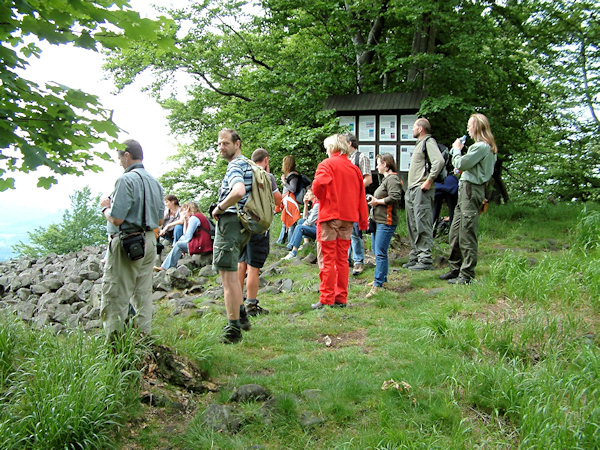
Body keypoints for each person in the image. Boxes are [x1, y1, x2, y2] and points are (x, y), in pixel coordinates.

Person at [100, 139, 164, 341]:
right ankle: (144, 342)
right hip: (149, 242)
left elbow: (117, 218)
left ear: (126, 155)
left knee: (116, 295)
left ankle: (116, 349)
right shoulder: (155, 183)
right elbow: (160, 219)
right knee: (143, 295)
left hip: (127, 242)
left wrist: (105, 208)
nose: (119, 162)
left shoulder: (124, 180)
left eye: (119, 157)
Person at [311, 134, 368, 309]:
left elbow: (318, 185)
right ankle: (341, 298)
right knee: (342, 259)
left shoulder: (326, 164)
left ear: (331, 148)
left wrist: (321, 198)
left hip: (330, 217)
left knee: (327, 259)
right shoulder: (354, 168)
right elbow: (361, 197)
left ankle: (326, 298)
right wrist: (363, 221)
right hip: (348, 219)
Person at [440, 113, 497, 284]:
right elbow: (468, 167)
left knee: (467, 233)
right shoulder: (481, 148)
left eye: (469, 125)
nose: (467, 128)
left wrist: (457, 149)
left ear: (477, 127)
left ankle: (466, 275)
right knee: (455, 231)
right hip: (466, 190)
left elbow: (461, 163)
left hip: (471, 191)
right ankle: (455, 268)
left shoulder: (481, 147)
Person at [212, 128, 253, 344]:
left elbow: (238, 191)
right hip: (244, 225)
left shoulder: (235, 165)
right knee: (233, 274)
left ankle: (233, 330)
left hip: (230, 224)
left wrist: (219, 208)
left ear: (237, 144)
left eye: (225, 143)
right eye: (219, 144)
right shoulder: (249, 164)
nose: (221, 147)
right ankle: (241, 315)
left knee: (227, 278)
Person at [238, 148, 282, 317]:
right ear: (266, 160)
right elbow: (278, 199)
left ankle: (237, 302)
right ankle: (251, 305)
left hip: (242, 223)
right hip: (258, 225)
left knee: (240, 264)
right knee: (253, 267)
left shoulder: (243, 173)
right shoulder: (267, 176)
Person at [403, 118, 445, 271]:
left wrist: (429, 180)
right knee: (413, 224)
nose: (412, 130)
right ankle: (416, 256)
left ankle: (425, 258)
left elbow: (439, 161)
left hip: (422, 189)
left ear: (420, 128)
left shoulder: (428, 141)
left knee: (422, 222)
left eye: (414, 127)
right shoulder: (420, 144)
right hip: (413, 189)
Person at [366, 154, 403, 298]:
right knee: (377, 250)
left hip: (386, 221)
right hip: (378, 220)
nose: (376, 167)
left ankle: (378, 284)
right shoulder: (386, 179)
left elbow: (395, 197)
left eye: (378, 164)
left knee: (380, 252)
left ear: (386, 164)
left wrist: (378, 202)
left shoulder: (392, 179)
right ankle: (382, 279)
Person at [155, 202, 212, 270]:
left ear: (188, 209)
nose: (183, 213)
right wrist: (185, 222)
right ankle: (168, 265)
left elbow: (187, 237)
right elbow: (185, 235)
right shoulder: (199, 216)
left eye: (184, 210)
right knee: (181, 240)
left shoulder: (194, 218)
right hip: (205, 244)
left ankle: (166, 267)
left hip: (202, 246)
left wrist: (181, 244)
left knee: (179, 245)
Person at [346, 133, 372, 275]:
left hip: (356, 199)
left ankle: (358, 261)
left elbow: (368, 179)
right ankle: (347, 259)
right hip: (345, 199)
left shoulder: (361, 157)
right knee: (346, 229)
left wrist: (355, 189)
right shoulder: (344, 159)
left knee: (355, 230)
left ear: (350, 143)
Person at [282, 187, 319, 260]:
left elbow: (309, 221)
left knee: (299, 227)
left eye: (308, 193)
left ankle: (293, 252)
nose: (306, 194)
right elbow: (305, 218)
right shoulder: (314, 204)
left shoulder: (317, 205)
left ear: (314, 195)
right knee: (301, 221)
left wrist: (300, 227)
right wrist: (305, 204)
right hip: (316, 226)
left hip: (320, 229)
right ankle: (306, 243)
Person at [276, 155, 301, 245]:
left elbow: (293, 189)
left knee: (290, 222)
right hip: (287, 200)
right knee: (285, 220)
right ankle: (281, 241)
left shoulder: (293, 176)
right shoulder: (291, 175)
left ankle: (290, 243)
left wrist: (284, 182)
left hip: (290, 200)